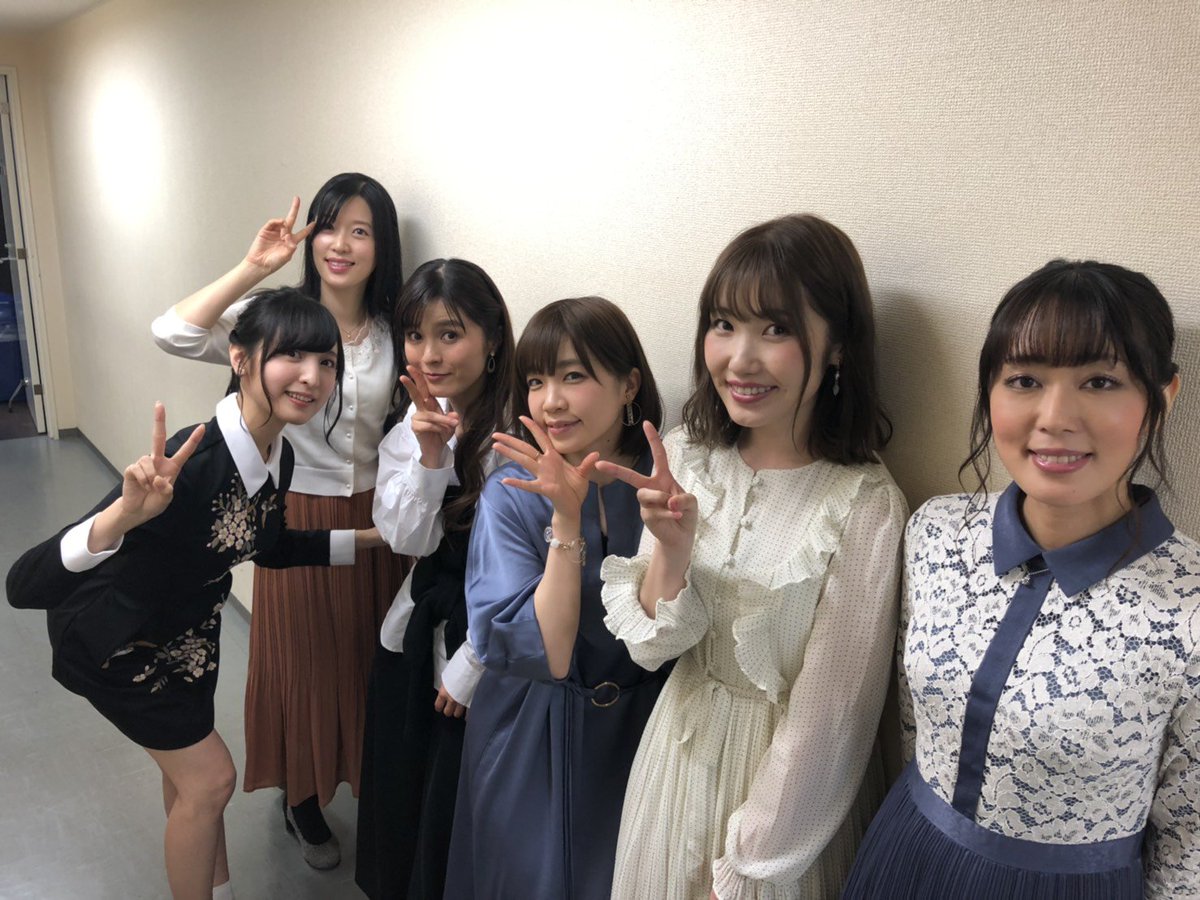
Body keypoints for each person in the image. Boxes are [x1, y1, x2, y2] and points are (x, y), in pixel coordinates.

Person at [6, 290, 385, 900]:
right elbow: (24, 585)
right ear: (240, 358)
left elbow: (270, 546)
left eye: (327, 361)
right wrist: (122, 516)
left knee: (189, 780)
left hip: (188, 637)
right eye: (291, 355)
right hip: (115, 640)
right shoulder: (194, 461)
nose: (313, 377)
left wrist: (369, 539)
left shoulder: (279, 453)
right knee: (211, 780)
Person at [842, 260, 1198, 898]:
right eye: (1025, 380)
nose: (1055, 417)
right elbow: (913, 726)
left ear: (1162, 398)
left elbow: (1188, 843)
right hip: (905, 850)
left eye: (1100, 381)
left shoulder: (1189, 605)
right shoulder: (935, 532)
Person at [599, 214, 907, 899]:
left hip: (786, 807)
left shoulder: (864, 503)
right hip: (674, 762)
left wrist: (748, 868)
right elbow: (650, 649)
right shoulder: (687, 454)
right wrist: (672, 553)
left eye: (775, 329)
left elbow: (835, 718)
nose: (740, 358)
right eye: (724, 324)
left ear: (837, 346)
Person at [150, 173, 404, 867]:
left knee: (365, 657)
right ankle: (301, 796)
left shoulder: (393, 333)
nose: (341, 244)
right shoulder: (277, 319)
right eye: (330, 227)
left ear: (382, 246)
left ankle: (355, 773)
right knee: (304, 662)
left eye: (360, 231)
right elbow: (173, 333)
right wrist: (252, 268)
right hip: (296, 512)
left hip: (379, 517)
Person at [445, 296, 672, 899]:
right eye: (536, 381)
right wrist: (566, 521)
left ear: (629, 385)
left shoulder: (664, 482)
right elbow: (545, 650)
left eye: (573, 376)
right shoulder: (510, 493)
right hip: (529, 732)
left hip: (643, 732)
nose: (550, 402)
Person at [354, 258, 516, 899]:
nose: (429, 354)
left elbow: (534, 564)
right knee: (404, 785)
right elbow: (406, 540)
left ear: (493, 338)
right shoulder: (419, 419)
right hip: (418, 626)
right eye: (416, 336)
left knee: (458, 802)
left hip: (491, 645)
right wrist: (429, 456)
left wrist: (474, 660)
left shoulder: (522, 427)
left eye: (450, 334)